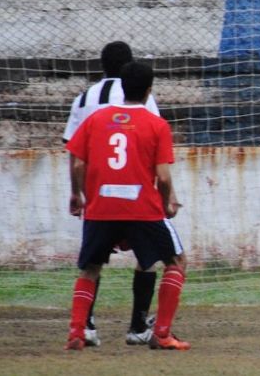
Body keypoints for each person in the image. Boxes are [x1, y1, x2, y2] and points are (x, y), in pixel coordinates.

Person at [64, 62, 190, 351]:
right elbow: (163, 176)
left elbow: (78, 163)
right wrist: (165, 202)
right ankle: (161, 333)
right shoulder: (156, 124)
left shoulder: (96, 119)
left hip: (101, 208)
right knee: (176, 262)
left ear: (122, 88)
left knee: (90, 269)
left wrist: (81, 195)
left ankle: (77, 331)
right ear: (149, 91)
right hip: (141, 208)